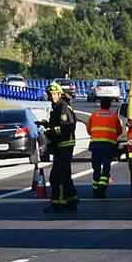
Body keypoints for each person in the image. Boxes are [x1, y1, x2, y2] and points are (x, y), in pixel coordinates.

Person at [40, 81, 78, 212]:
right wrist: (46, 124)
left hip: (64, 145)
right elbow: (58, 124)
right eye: (49, 94)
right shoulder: (57, 107)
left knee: (56, 176)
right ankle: (72, 199)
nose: (50, 97)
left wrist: (52, 131)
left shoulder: (62, 107)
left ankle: (58, 203)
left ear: (59, 93)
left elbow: (68, 125)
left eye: (52, 94)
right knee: (65, 174)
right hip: (60, 146)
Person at [85, 96, 122, 198]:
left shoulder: (94, 115)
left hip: (95, 145)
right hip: (108, 145)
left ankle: (96, 189)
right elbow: (119, 131)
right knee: (106, 167)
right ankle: (102, 186)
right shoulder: (113, 116)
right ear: (109, 105)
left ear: (100, 104)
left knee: (96, 168)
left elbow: (89, 130)